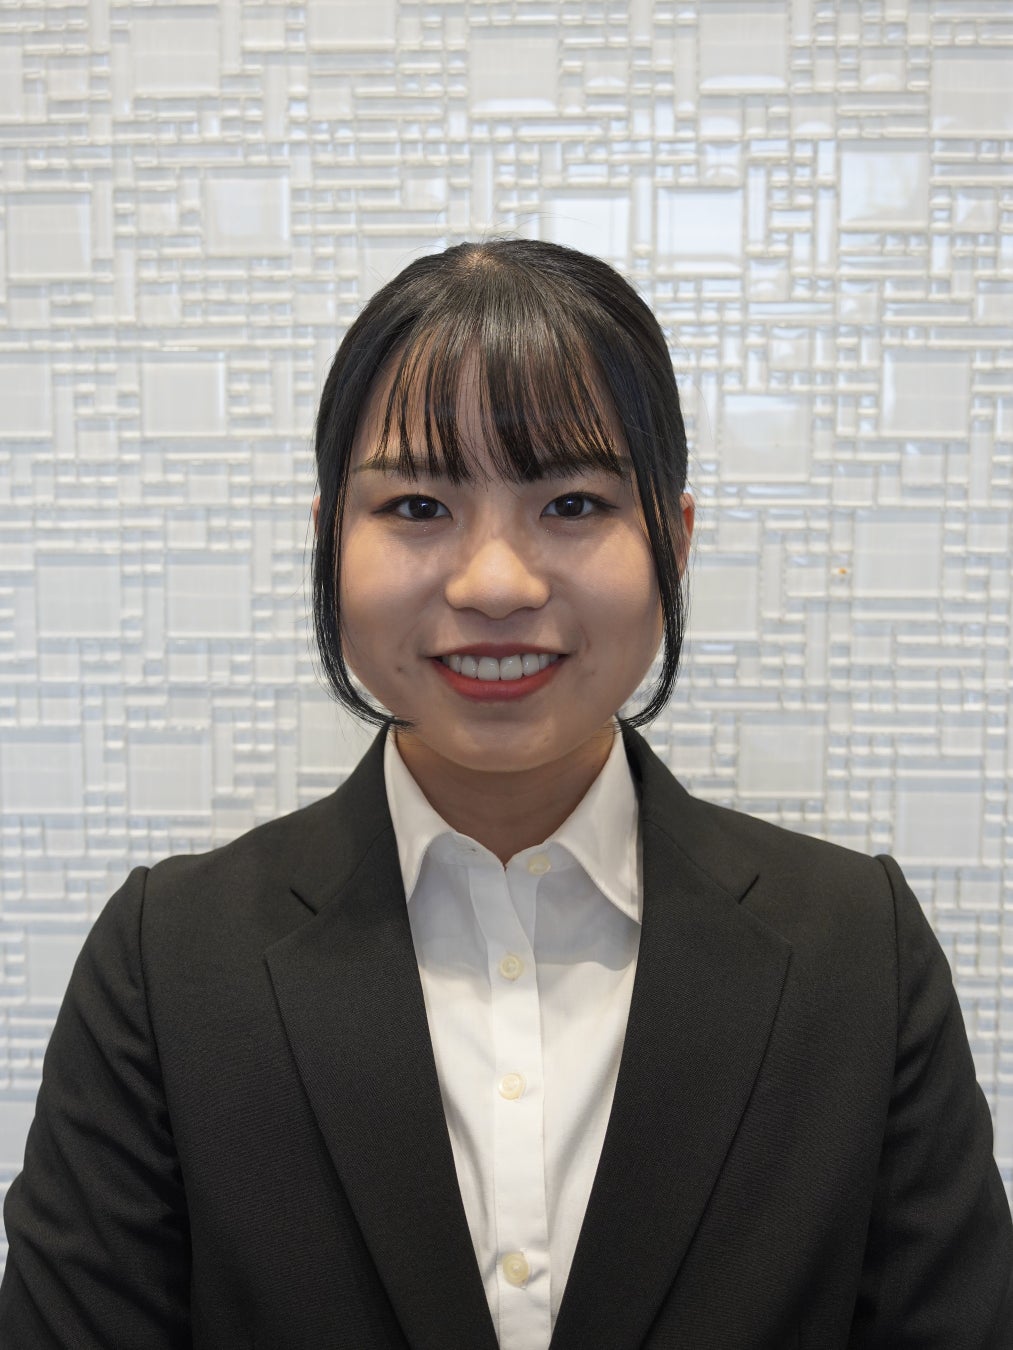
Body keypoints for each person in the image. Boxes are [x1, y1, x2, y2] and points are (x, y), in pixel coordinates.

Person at [0, 239, 1009, 1350]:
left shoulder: (858, 955)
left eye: (571, 502)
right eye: (417, 506)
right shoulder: (168, 963)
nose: (494, 584)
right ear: (328, 539)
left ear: (672, 540)